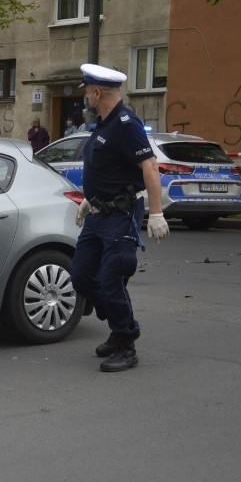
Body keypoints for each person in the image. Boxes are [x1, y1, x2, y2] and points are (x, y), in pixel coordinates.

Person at [71, 63, 170, 373]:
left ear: (97, 92)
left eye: (87, 91)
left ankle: (126, 342)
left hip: (121, 215)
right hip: (99, 214)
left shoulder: (126, 124)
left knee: (113, 278)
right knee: (82, 276)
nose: (85, 96)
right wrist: (89, 199)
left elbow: (150, 167)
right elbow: (108, 168)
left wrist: (156, 213)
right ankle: (118, 326)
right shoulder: (103, 124)